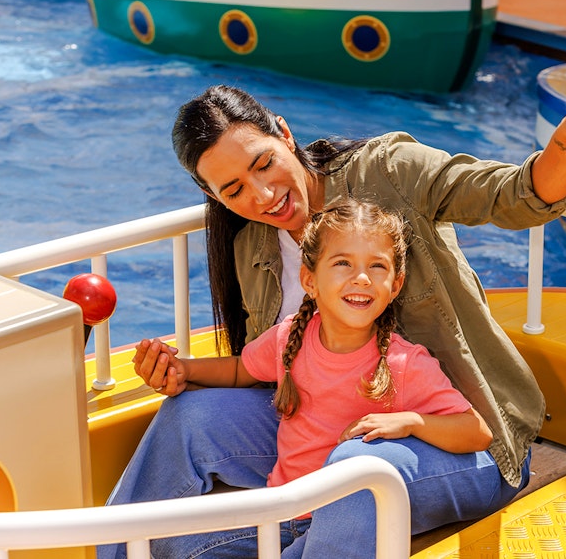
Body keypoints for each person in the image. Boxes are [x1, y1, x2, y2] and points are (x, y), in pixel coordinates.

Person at [103, 60, 566, 557]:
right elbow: (269, 370)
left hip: (452, 442)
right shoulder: (251, 249)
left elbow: (515, 195)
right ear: (213, 196)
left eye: (264, 163)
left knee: (355, 471)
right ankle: (115, 550)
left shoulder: (389, 172)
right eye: (235, 189)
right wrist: (181, 375)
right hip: (324, 439)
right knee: (189, 416)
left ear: (285, 135)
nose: (263, 195)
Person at [115, 199, 493, 556]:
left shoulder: (403, 362)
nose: (361, 278)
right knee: (173, 549)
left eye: (377, 266)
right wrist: (186, 370)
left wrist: (411, 422)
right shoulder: (289, 338)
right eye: (343, 263)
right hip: (284, 514)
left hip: (341, 518)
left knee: (351, 472)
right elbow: (240, 370)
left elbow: (476, 431)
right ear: (309, 280)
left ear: (395, 286)